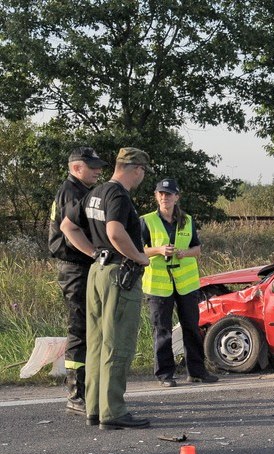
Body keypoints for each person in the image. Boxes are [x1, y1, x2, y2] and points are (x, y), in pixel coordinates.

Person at [60, 147, 152, 430]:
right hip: (118, 276)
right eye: (143, 172)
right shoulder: (118, 195)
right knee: (118, 343)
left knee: (97, 344)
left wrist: (93, 253)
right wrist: (139, 257)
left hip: (97, 272)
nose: (142, 177)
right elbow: (114, 231)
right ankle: (113, 411)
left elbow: (67, 226)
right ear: (136, 169)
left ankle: (95, 408)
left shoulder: (94, 192)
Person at [140, 178, 217, 387]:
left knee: (191, 327)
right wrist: (159, 250)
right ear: (156, 196)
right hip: (158, 284)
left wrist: (184, 253)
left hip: (185, 284)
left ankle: (197, 371)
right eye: (161, 194)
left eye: (169, 194)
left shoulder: (187, 220)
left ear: (177, 197)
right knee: (162, 330)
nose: (165, 197)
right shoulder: (146, 221)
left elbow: (197, 249)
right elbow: (137, 250)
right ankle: (165, 375)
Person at [48, 147, 107, 415]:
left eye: (98, 166)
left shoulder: (81, 190)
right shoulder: (71, 192)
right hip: (75, 268)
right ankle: (75, 393)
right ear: (75, 168)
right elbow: (69, 231)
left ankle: (87, 389)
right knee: (79, 328)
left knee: (88, 327)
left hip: (82, 267)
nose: (98, 170)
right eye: (92, 165)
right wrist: (95, 253)